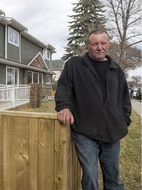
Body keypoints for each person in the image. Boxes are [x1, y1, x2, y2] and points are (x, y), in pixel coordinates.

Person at [55, 29, 132, 190]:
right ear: (88, 46)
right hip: (85, 131)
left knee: (113, 176)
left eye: (103, 43)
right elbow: (63, 88)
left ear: (108, 45)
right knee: (90, 175)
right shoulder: (74, 64)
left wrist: (124, 120)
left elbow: (125, 99)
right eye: (95, 43)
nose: (99, 47)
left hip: (112, 132)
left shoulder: (116, 70)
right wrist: (64, 107)